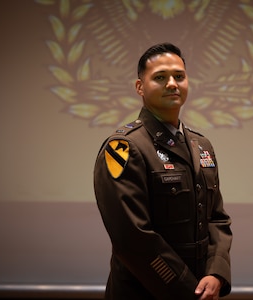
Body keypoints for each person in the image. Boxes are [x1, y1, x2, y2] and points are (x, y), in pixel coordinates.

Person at [93, 42, 232, 300]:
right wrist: (186, 289)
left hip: (201, 290)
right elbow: (132, 238)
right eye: (160, 77)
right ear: (140, 87)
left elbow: (217, 219)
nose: (172, 83)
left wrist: (216, 273)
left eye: (179, 76)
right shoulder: (124, 148)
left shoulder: (201, 145)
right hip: (149, 292)